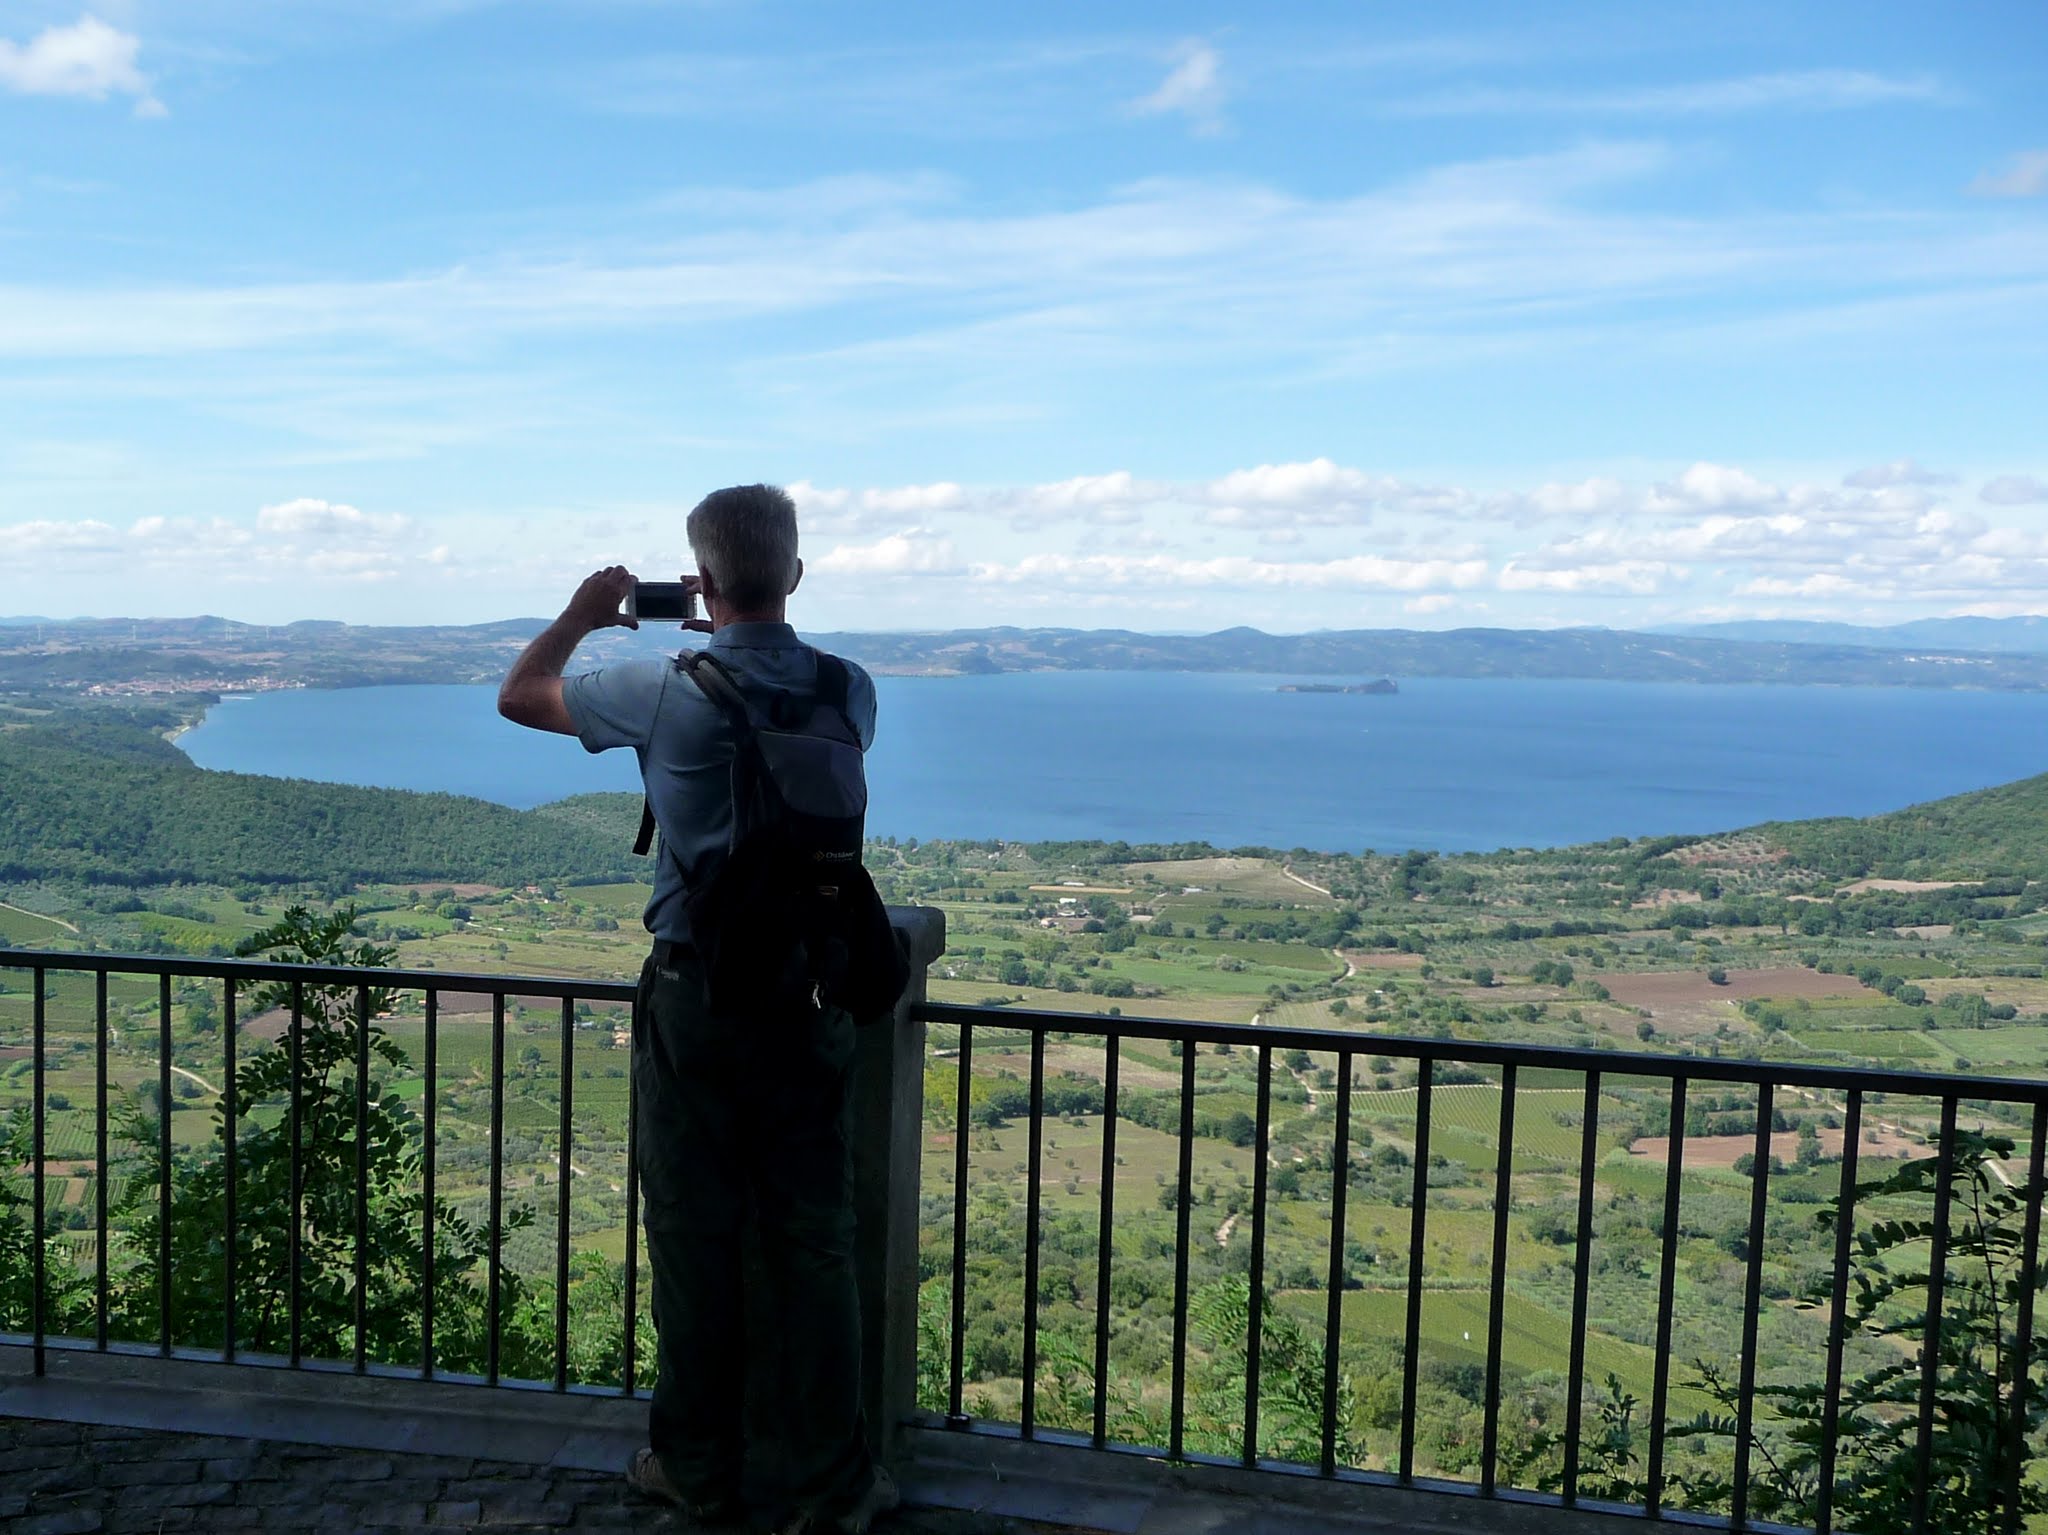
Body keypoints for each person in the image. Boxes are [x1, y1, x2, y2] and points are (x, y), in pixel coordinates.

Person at [498, 484, 896, 1535]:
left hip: (698, 995)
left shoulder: (666, 688)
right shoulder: (849, 690)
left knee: (692, 1233)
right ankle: (833, 1487)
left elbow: (522, 693)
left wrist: (587, 612)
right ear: (797, 576)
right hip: (810, 993)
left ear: (701, 585)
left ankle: (697, 1470)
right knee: (812, 1240)